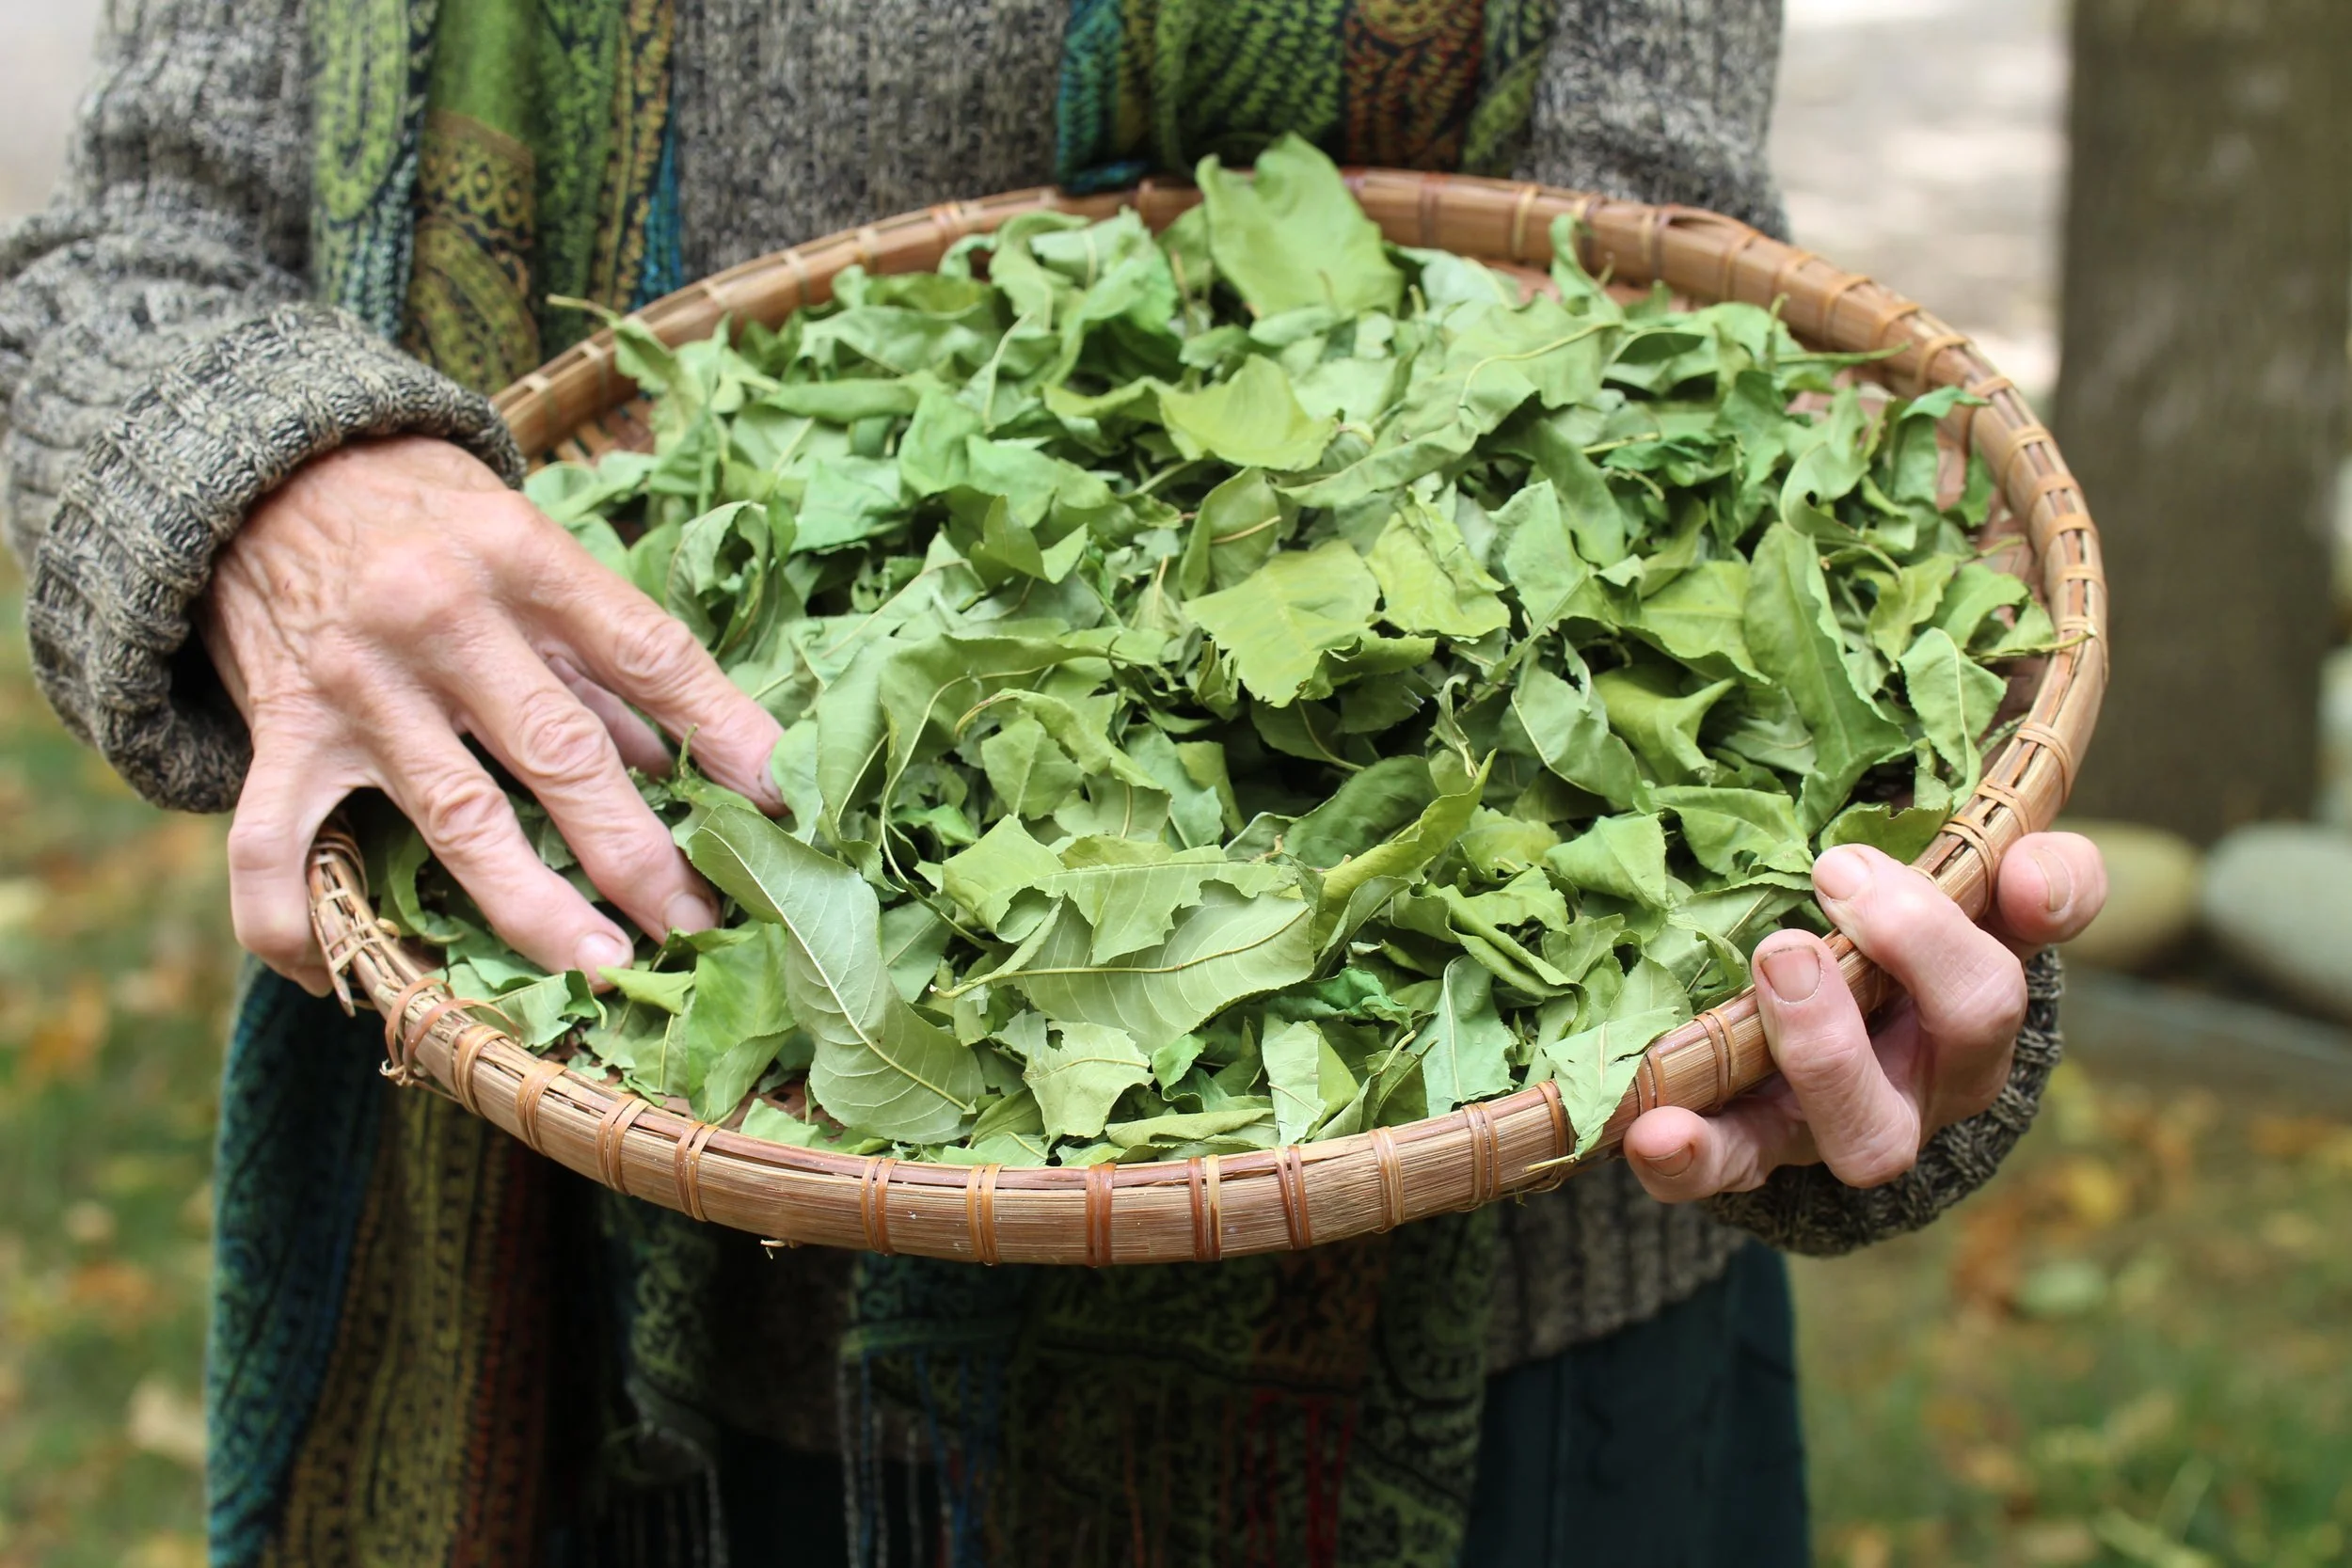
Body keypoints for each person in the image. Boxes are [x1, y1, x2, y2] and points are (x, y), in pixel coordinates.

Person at [1, 2, 2106, 1562]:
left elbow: (1658, 335)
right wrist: (266, 480)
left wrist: (1866, 977)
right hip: (589, 1310)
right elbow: (120, 278)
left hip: (1477, 1361)